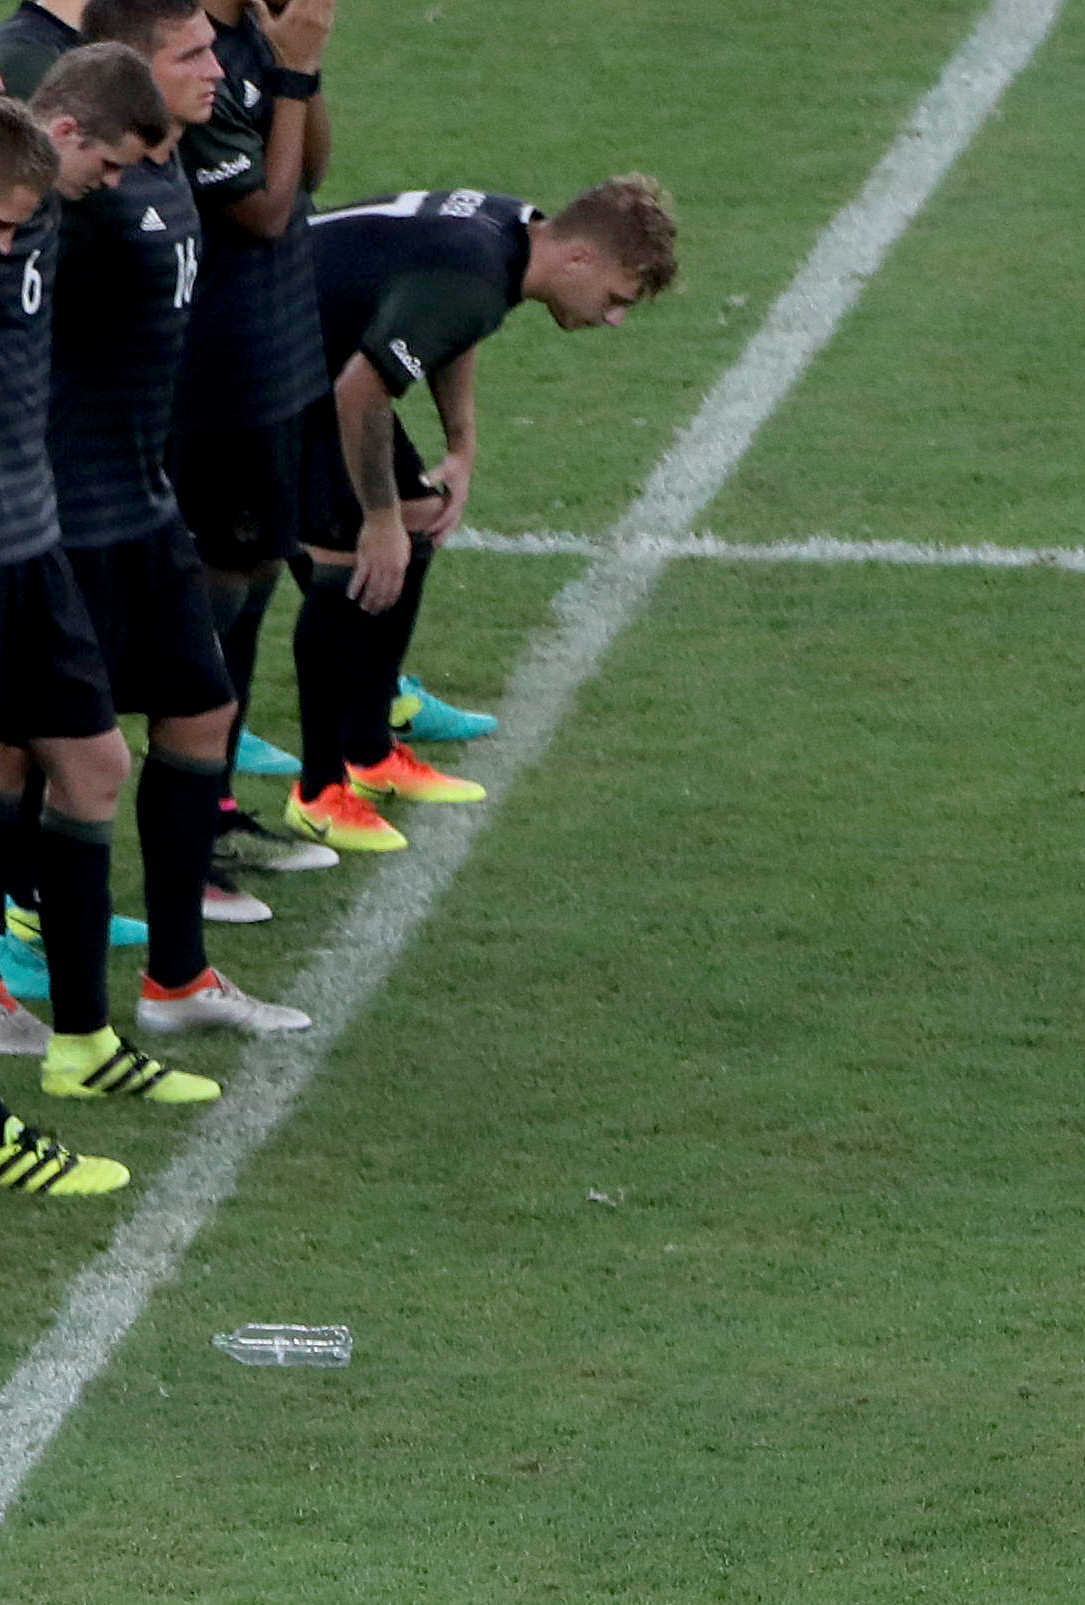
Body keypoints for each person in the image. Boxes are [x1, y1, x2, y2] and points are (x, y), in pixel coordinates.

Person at [0, 87, 174, 1157]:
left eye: (12, 227)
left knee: (96, 765)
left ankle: (81, 1040)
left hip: (33, 541)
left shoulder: (38, 203)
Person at [36, 19, 313, 1050]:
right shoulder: (83, 195)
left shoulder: (175, 167)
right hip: (65, 518)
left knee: (202, 712)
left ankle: (178, 974)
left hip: (146, 509)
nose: (216, 69)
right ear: (128, 70)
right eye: (194, 54)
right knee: (25, 761)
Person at [281, 176, 682, 854]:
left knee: (421, 512)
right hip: (263, 356)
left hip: (314, 347)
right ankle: (319, 792)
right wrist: (376, 519)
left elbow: (450, 324)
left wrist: (460, 445)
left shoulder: (511, 233)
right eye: (616, 299)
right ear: (582, 258)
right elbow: (361, 394)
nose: (612, 318)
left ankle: (370, 751)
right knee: (350, 550)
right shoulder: (475, 267)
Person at [173, 0, 340, 903]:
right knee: (215, 601)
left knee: (256, 577)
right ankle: (189, 845)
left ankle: (218, 807)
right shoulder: (186, 53)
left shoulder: (255, 39)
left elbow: (309, 169)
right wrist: (292, 73)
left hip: (276, 361)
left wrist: (299, 71)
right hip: (219, 374)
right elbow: (267, 212)